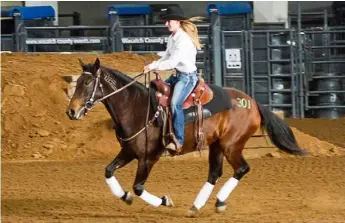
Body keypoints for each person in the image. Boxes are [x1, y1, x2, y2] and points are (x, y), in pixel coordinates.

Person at [143, 6, 202, 152]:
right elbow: (167, 57)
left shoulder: (184, 40)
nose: (166, 24)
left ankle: (179, 140)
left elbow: (172, 62)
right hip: (177, 75)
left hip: (187, 78)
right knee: (154, 91)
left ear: (178, 21)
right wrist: (154, 64)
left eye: (169, 21)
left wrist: (152, 66)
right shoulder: (173, 38)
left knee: (176, 104)